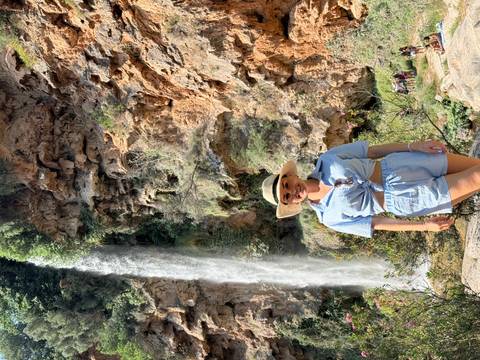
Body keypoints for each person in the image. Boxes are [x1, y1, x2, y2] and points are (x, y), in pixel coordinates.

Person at [261, 140, 480, 238]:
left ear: (291, 175)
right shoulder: (329, 218)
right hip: (407, 200)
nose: (293, 190)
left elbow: (373, 152)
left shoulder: (327, 159)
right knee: (476, 178)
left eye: (287, 184)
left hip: (401, 165)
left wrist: (413, 146)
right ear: (292, 203)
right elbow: (377, 224)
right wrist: (424, 226)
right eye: (287, 196)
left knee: (476, 167)